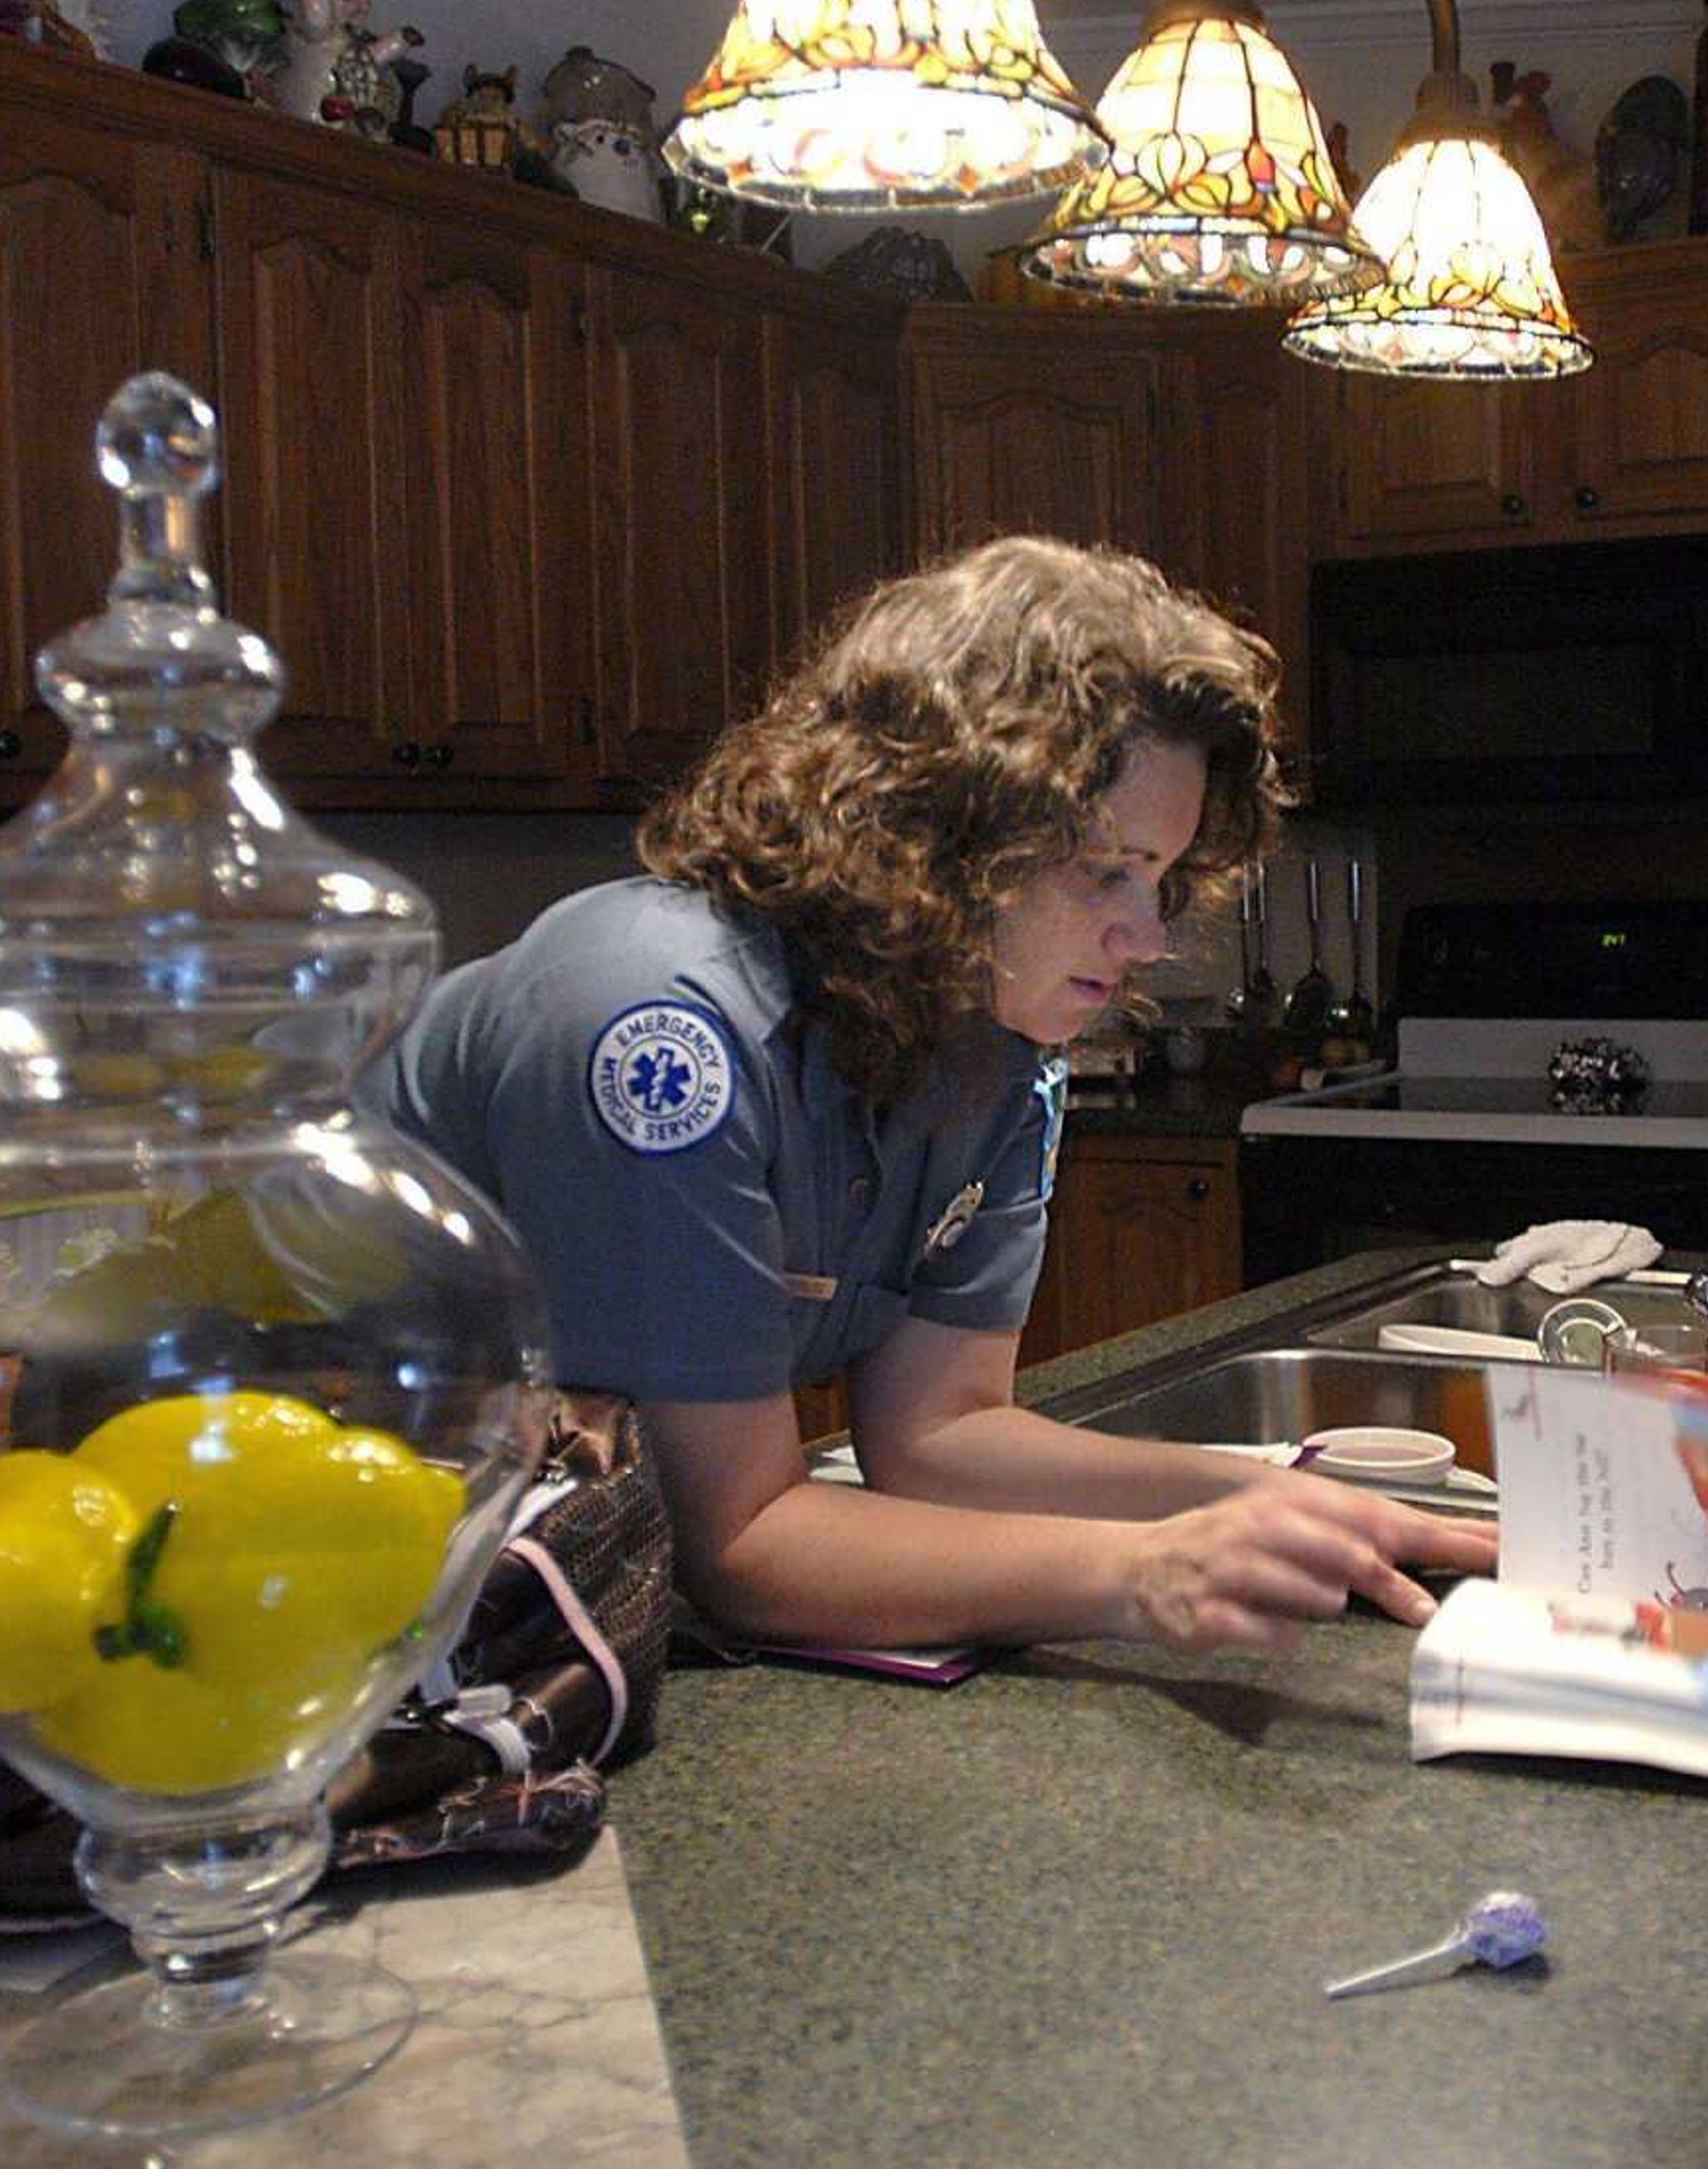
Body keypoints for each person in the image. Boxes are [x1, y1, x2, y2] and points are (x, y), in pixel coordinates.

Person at [363, 535, 1494, 1655]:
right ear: (932, 832)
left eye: (1162, 877)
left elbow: (940, 1433)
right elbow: (740, 1546)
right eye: (1104, 869)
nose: (1148, 937)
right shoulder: (660, 1032)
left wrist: (1267, 1506)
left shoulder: (994, 1049)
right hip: (285, 1538)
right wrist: (1145, 1573)